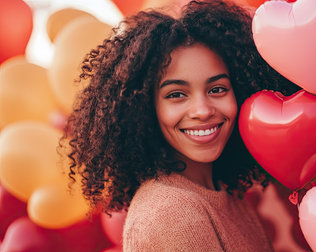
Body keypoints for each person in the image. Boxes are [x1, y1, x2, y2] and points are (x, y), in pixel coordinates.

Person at [63, 0, 296, 251]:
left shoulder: (222, 191)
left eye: (217, 89)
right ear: (144, 108)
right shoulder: (172, 213)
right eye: (176, 94)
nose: (203, 111)